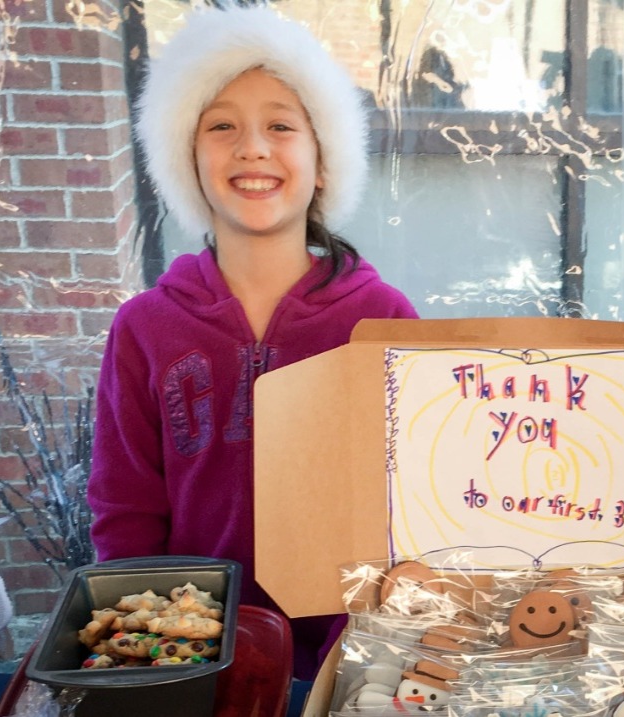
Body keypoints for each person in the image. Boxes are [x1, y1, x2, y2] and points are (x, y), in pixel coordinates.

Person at [87, 4, 418, 680]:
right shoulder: (144, 327)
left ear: (322, 161)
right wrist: (150, 659)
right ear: (187, 160)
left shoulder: (384, 320)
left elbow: (407, 511)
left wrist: (356, 655)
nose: (253, 148)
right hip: (193, 662)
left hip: (351, 661)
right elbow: (126, 511)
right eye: (221, 126)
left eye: (281, 125)